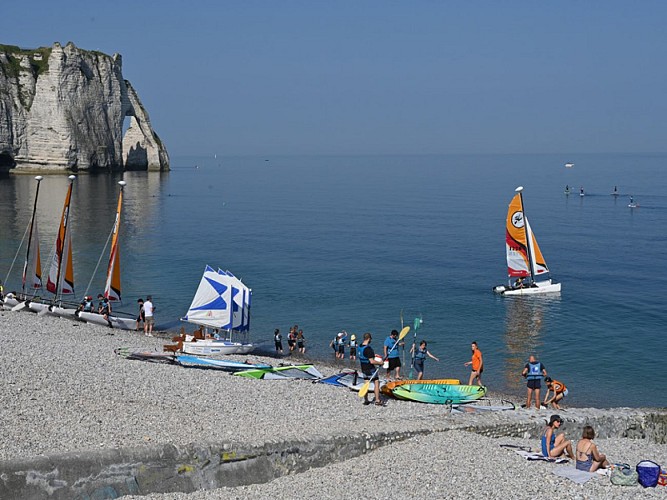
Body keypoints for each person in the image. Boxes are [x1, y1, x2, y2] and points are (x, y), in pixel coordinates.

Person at [358, 332, 384, 406]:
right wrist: (380, 363)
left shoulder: (360, 346)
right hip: (370, 369)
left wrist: (373, 355)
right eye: (370, 339)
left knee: (366, 383)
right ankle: (377, 400)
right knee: (376, 382)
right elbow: (372, 361)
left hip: (363, 368)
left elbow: (365, 355)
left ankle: (366, 400)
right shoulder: (368, 349)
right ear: (369, 339)